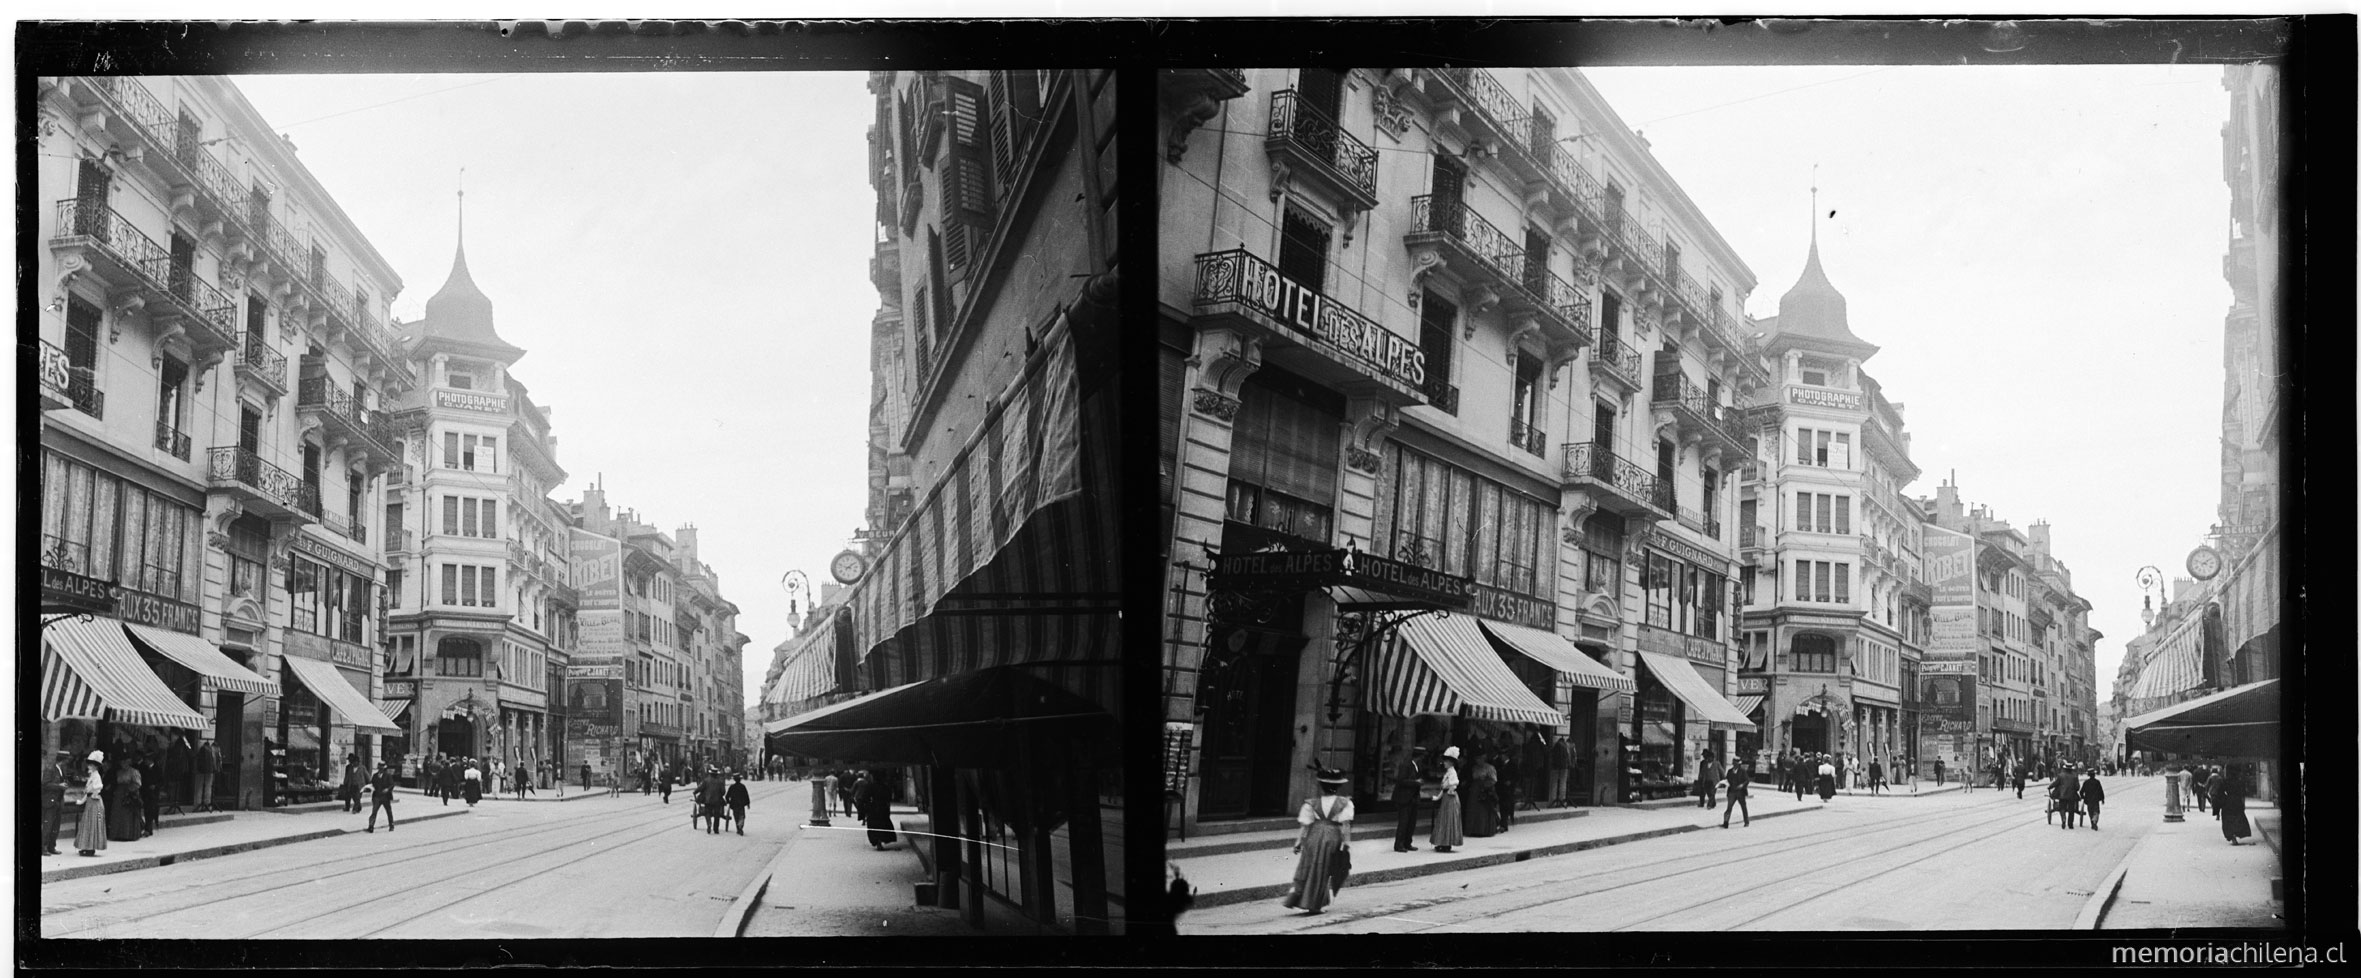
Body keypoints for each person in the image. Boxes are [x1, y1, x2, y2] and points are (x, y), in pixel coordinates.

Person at [1281, 768, 1353, 915]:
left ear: (1321, 786)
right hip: (1332, 836)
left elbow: (1305, 826)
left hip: (1313, 836)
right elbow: (1345, 826)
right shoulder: (1345, 803)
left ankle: (1301, 899)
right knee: (1324, 869)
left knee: (1308, 867)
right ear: (1338, 787)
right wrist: (1346, 843)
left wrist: (1298, 842)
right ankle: (1315, 904)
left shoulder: (1311, 803)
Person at [1388, 745, 1426, 853]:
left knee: (1411, 822)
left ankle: (1407, 842)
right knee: (1404, 822)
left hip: (1412, 798)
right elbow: (1401, 781)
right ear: (1418, 756)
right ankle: (1399, 844)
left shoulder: (1416, 766)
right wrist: (1416, 782)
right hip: (1403, 798)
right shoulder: (1406, 765)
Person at [1431, 746, 1464, 853]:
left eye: (1446, 761)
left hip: (1450, 799)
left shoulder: (1452, 772)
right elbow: (1443, 788)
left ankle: (1447, 843)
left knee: (1449, 820)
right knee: (1444, 820)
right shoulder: (1448, 772)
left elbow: (1454, 783)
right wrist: (1438, 797)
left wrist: (1451, 789)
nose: (1444, 763)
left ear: (1451, 762)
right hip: (1446, 798)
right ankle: (1443, 842)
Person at [76, 752, 110, 857]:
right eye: (89, 764)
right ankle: (87, 847)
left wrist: (94, 791)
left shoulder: (96, 776)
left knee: (93, 824)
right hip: (91, 802)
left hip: (95, 803)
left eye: (91, 765)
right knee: (88, 824)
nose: (89, 766)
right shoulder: (92, 776)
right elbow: (88, 792)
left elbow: (99, 786)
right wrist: (81, 801)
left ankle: (91, 848)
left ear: (96, 766)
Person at [41, 749, 71, 856]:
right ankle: (43, 847)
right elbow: (45, 784)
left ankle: (51, 846)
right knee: (48, 825)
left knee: (55, 826)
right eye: (66, 760)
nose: (68, 762)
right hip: (50, 801)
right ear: (63, 760)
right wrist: (59, 786)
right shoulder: (50, 770)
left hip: (58, 801)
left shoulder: (61, 769)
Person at [108, 753, 144, 842]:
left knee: (127, 815)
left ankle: (127, 835)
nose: (123, 764)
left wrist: (129, 790)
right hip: (119, 795)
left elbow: (138, 784)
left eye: (125, 762)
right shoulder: (119, 772)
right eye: (122, 763)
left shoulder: (134, 772)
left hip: (129, 794)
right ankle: (117, 834)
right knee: (117, 814)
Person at [856, 771, 896, 849]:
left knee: (874, 826)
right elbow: (889, 798)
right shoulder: (884, 787)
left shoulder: (870, 786)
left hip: (873, 809)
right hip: (883, 808)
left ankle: (877, 841)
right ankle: (881, 840)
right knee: (882, 825)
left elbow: (864, 798)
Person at [1465, 752, 1499, 838]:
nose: (1478, 761)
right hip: (1474, 792)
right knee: (1473, 810)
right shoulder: (1475, 768)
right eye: (1476, 759)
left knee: (1483, 811)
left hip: (1484, 791)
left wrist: (1484, 785)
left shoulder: (1489, 768)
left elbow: (1494, 780)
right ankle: (1473, 830)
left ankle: (1483, 830)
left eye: (1480, 759)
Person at [2214, 769, 2252, 845]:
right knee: (2238, 818)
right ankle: (2236, 832)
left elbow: (2219, 792)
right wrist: (2243, 804)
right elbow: (2243, 794)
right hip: (2237, 801)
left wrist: (2222, 801)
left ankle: (2231, 835)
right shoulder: (2240, 782)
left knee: (2228, 819)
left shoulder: (2225, 781)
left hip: (2227, 802)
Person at [364, 762, 397, 832]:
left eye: (382, 768)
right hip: (377, 796)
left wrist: (388, 789)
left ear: (384, 768)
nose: (380, 769)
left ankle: (391, 825)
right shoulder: (375, 776)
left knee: (388, 811)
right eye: (379, 768)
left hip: (385, 797)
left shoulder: (388, 775)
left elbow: (392, 784)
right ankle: (371, 826)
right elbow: (372, 784)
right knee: (374, 811)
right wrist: (369, 787)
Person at [1495, 746, 1519, 832]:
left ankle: (1504, 824)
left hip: (1509, 790)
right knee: (1502, 806)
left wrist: (1511, 782)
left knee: (1506, 807)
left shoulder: (1513, 765)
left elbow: (1517, 776)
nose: (1501, 757)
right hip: (1501, 788)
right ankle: (1502, 823)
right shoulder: (1499, 764)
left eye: (1503, 755)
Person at [1545, 732, 1573, 807]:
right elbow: (1569, 757)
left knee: (1554, 783)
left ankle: (1552, 800)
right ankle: (1562, 800)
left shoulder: (1556, 745)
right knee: (1563, 783)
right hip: (1565, 767)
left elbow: (1552, 755)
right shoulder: (1567, 746)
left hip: (1555, 767)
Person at [1721, 762, 1752, 828]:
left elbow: (1747, 780)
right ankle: (1726, 822)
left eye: (1737, 764)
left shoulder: (1742, 771)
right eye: (1734, 763)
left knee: (1743, 807)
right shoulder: (1729, 771)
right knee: (1729, 807)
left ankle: (1746, 822)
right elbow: (1727, 780)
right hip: (1732, 792)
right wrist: (1724, 783)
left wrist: (1742, 785)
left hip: (1740, 792)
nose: (1735, 765)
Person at [194, 739, 220, 812]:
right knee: (208, 786)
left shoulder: (203, 748)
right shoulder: (213, 749)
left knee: (200, 786)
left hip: (202, 771)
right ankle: (207, 803)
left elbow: (199, 759)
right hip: (211, 770)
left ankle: (199, 804)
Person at [700, 767, 729, 834]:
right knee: (717, 815)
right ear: (716, 774)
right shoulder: (720, 782)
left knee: (707, 813)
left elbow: (701, 788)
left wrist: (695, 792)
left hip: (708, 800)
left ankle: (709, 824)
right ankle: (716, 829)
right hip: (717, 801)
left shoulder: (706, 780)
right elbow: (723, 792)